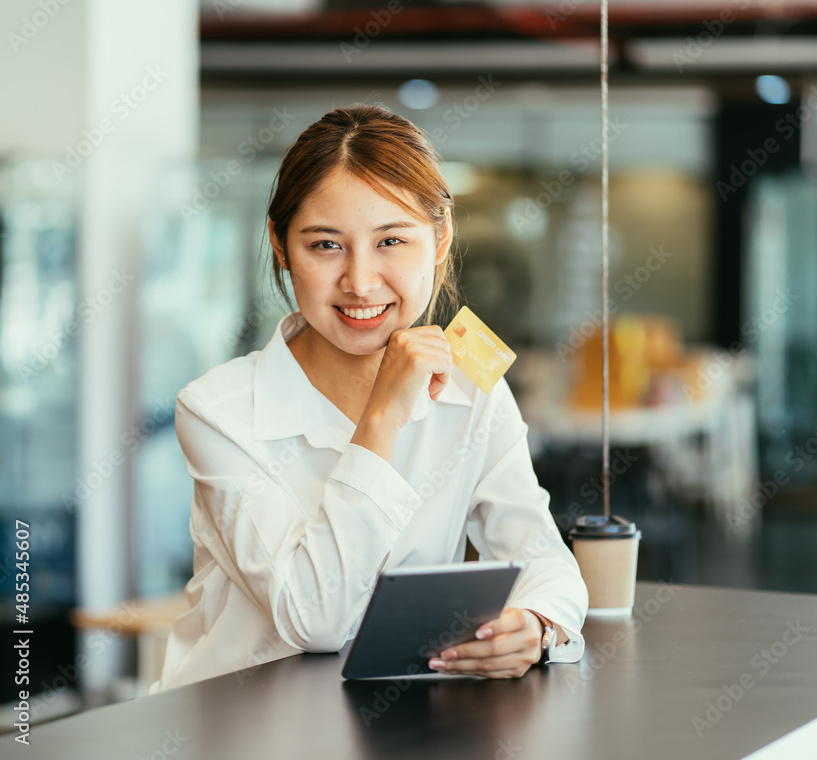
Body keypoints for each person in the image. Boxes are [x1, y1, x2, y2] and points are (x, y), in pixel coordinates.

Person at [150, 104, 588, 692]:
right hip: (239, 733)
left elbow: (544, 558)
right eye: (326, 245)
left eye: (391, 241)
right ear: (281, 246)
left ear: (439, 239)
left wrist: (535, 626)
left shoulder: (471, 389)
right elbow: (315, 618)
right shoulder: (218, 411)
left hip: (396, 727)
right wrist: (383, 416)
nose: (360, 281)